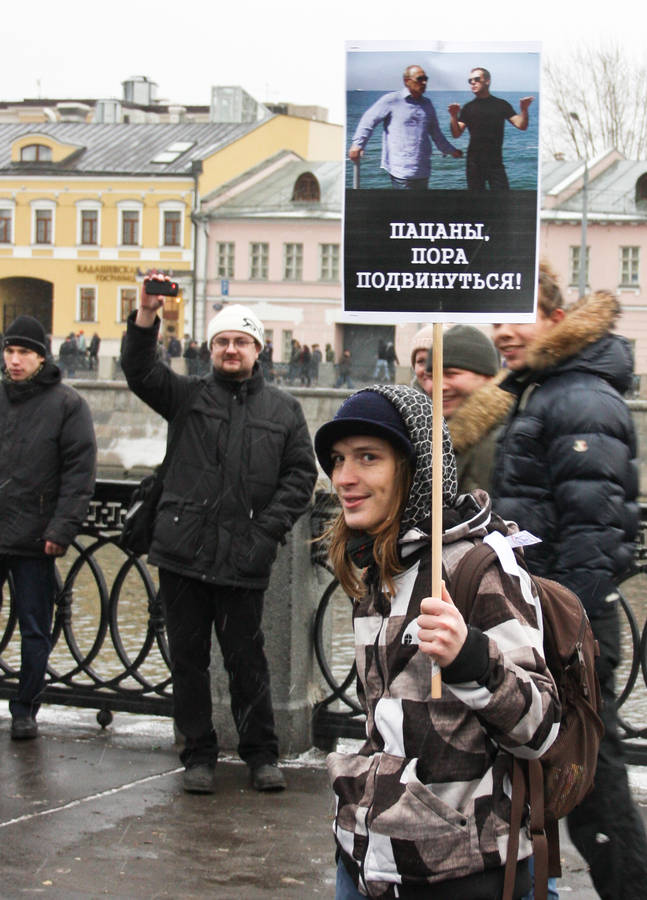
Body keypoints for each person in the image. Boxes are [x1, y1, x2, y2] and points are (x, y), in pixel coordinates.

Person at [313, 384, 560, 900]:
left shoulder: (476, 567)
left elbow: (541, 728)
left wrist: (470, 658)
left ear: (414, 467)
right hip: (367, 855)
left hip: (455, 867)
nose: (344, 478)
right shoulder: (380, 563)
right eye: (338, 460)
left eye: (368, 458)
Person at [121, 279, 317, 795]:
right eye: (222, 342)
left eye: (241, 341)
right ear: (211, 350)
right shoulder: (187, 396)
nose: (231, 350)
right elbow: (139, 371)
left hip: (242, 559)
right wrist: (146, 314)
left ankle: (260, 755)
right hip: (183, 554)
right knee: (188, 661)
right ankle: (199, 754)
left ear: (258, 350)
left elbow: (300, 478)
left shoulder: (284, 410)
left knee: (247, 661)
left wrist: (266, 532)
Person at [491, 263, 647, 900]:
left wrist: (566, 640)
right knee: (562, 784)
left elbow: (595, 532)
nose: (503, 332)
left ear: (556, 319)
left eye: (517, 314)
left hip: (565, 627)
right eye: (496, 317)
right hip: (547, 617)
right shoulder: (547, 388)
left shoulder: (577, 396)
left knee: (591, 790)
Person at [0, 315, 96, 740]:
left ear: (41, 357)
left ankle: (25, 708)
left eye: (24, 353)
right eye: (10, 351)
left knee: (34, 627)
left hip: (37, 537)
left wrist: (61, 530)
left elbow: (79, 474)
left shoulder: (67, 404)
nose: (15, 360)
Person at [423, 324, 511, 494]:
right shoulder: (429, 436)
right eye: (432, 376)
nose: (439, 386)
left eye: (451, 374)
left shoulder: (506, 438)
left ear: (488, 378)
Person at [349, 64, 462, 189]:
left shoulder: (427, 104)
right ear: (407, 81)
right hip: (401, 172)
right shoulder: (391, 100)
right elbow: (368, 120)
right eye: (420, 79)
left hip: (423, 171)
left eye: (426, 79)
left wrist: (451, 150)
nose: (424, 82)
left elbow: (436, 133)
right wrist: (358, 145)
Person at [448, 67, 533, 191]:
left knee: (502, 202)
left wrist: (524, 109)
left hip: (496, 163)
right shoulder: (468, 107)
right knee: (476, 205)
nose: (472, 82)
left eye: (476, 79)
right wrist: (453, 116)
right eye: (470, 80)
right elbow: (456, 134)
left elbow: (521, 125)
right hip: (474, 165)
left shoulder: (501, 104)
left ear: (487, 81)